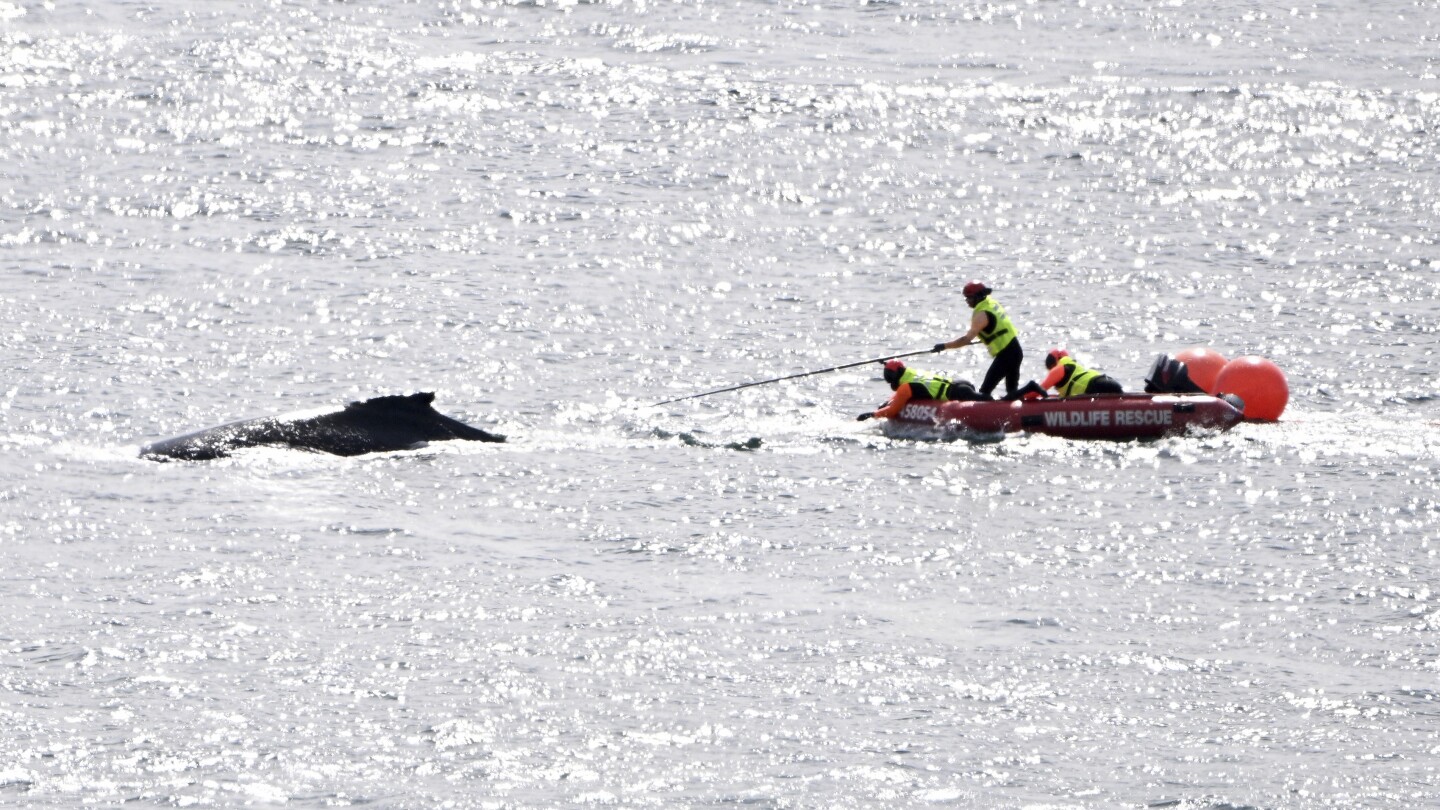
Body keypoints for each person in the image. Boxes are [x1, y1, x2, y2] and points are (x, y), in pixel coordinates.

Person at [932, 280, 1023, 400]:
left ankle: (1031, 388)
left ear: (977, 297)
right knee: (1012, 391)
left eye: (969, 298)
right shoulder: (990, 303)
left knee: (984, 392)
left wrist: (944, 346)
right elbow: (996, 329)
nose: (967, 302)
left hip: (1006, 355)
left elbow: (966, 339)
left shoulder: (981, 314)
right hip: (1015, 350)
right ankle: (1018, 412)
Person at [856, 359, 982, 421]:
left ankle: (999, 405)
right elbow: (895, 398)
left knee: (984, 400)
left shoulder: (906, 387)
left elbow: (892, 411)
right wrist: (887, 403)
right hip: (959, 384)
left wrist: (871, 415)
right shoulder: (913, 374)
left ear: (897, 375)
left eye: (890, 376)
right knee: (982, 396)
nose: (889, 380)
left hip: (957, 393)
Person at [1016, 348, 1124, 399]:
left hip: (1097, 386)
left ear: (1052, 364)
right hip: (1105, 381)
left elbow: (1036, 392)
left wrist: (1020, 395)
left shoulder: (1059, 369)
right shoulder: (1073, 366)